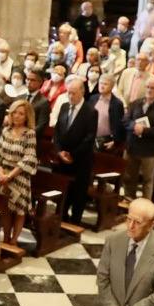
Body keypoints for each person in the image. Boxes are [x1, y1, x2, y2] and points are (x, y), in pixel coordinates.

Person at [0, 97, 38, 245]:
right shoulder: (6, 130)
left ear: (27, 116)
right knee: (5, 208)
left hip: (19, 176)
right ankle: (5, 238)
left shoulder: (29, 133)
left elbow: (29, 157)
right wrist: (1, 173)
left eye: (21, 113)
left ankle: (14, 240)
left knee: (18, 211)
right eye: (14, 113)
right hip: (2, 175)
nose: (16, 116)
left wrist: (10, 175)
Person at [52, 76, 96, 223]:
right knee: (64, 190)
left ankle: (75, 221)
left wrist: (72, 154)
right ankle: (61, 216)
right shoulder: (65, 106)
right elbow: (57, 131)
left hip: (80, 160)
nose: (70, 96)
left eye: (74, 93)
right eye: (69, 93)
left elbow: (89, 138)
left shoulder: (90, 112)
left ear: (82, 92)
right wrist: (59, 151)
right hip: (63, 159)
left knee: (78, 193)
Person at [122, 77, 154, 201]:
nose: (149, 90)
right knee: (129, 177)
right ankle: (129, 199)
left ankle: (145, 205)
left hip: (149, 150)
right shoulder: (136, 103)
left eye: (152, 88)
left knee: (147, 179)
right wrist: (134, 126)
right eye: (147, 87)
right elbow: (125, 120)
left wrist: (144, 130)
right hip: (132, 146)